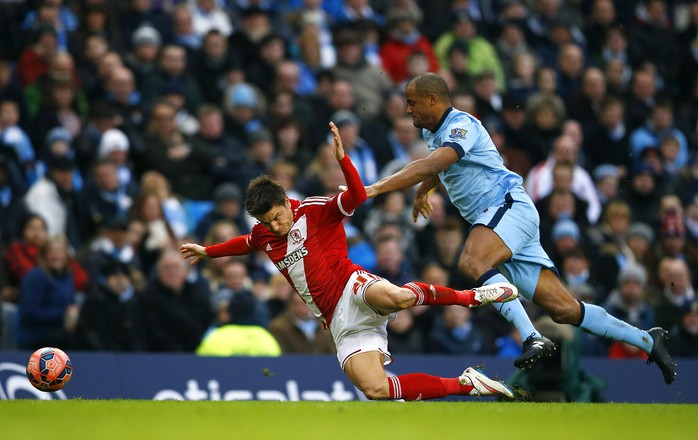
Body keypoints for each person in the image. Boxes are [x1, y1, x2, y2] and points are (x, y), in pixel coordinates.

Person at [364, 72, 676, 384]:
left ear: (432, 100)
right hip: (501, 221)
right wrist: (422, 191)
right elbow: (440, 165)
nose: (407, 110)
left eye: (411, 102)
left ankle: (531, 337)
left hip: (507, 207)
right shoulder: (435, 133)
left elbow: (434, 163)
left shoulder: (463, 125)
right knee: (564, 309)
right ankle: (648, 340)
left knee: (472, 262)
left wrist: (376, 188)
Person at [181, 121, 518, 401]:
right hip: (336, 320)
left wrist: (344, 160)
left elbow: (357, 197)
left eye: (276, 217)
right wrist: (208, 251)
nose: (273, 226)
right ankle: (466, 384)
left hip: (350, 285)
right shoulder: (264, 234)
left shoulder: (313, 209)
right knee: (375, 389)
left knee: (398, 297)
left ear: (286, 201)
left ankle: (471, 297)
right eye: (265, 222)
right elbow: (244, 243)